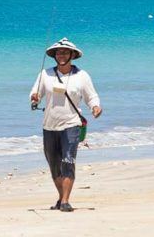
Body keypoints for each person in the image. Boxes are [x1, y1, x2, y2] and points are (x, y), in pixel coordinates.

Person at [30, 37, 102, 212]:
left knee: (68, 161)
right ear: (54, 55)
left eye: (65, 52)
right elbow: (35, 93)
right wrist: (34, 98)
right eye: (58, 52)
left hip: (71, 125)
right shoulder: (45, 74)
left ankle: (65, 201)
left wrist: (95, 107)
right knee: (54, 164)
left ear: (72, 55)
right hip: (49, 125)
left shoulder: (82, 76)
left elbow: (91, 96)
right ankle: (61, 197)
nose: (61, 55)